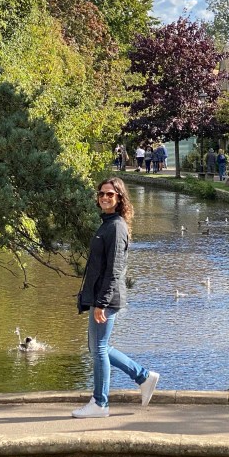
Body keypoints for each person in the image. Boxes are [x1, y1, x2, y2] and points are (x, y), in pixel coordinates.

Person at [73, 177, 159, 419]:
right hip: (99, 296)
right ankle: (143, 377)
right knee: (98, 346)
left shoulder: (117, 227)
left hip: (106, 298)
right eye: (102, 194)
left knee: (98, 348)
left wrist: (101, 302)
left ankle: (100, 403)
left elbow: (115, 269)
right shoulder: (108, 223)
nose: (104, 197)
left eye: (110, 194)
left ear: (119, 198)